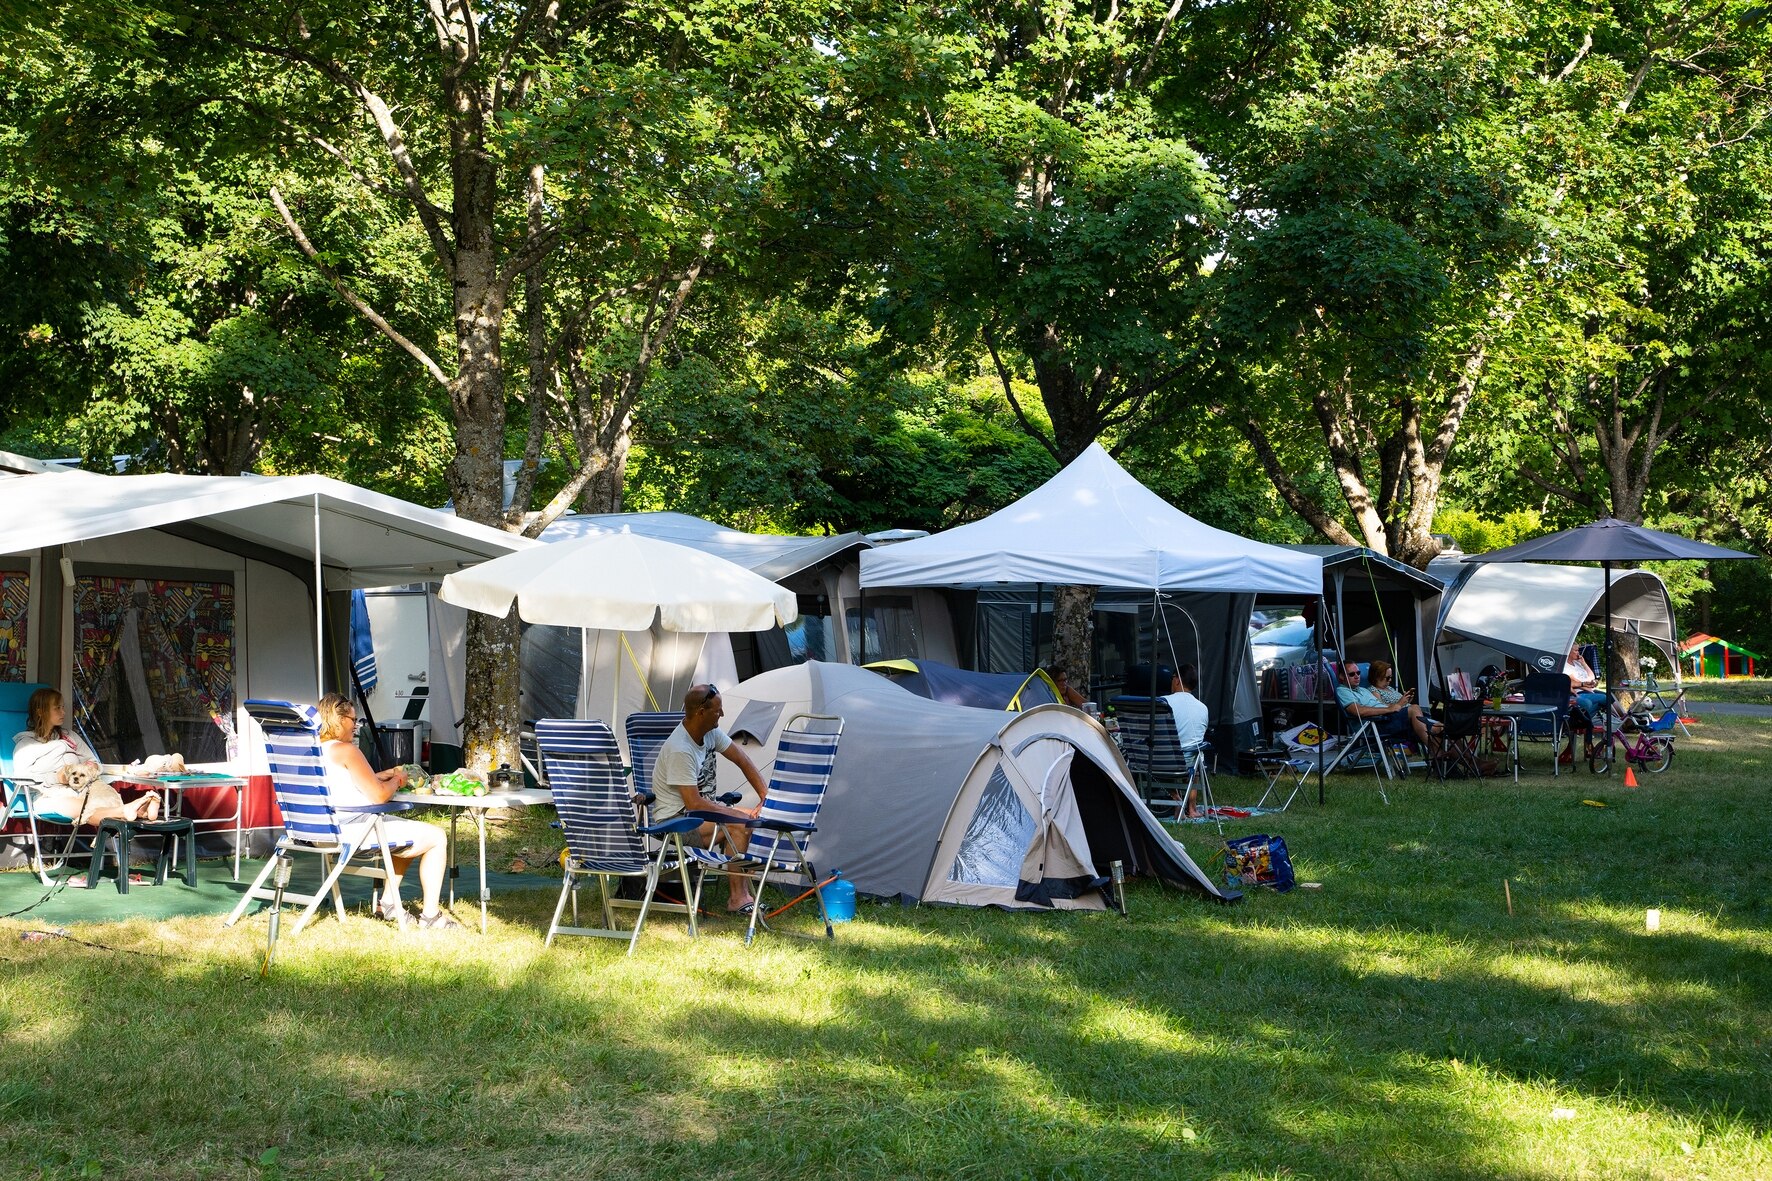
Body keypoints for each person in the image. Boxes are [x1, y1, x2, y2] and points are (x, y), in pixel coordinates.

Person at [314, 693, 460, 930]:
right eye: (353, 720)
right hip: (351, 832)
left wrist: (378, 777)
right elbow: (380, 796)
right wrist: (398, 780)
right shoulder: (346, 750)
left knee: (404, 831)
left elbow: (341, 783)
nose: (356, 726)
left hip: (318, 832)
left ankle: (389, 903)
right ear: (339, 720)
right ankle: (431, 916)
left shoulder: (314, 749)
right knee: (436, 837)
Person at [653, 683, 772, 914]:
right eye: (718, 710)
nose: (723, 714)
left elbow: (742, 760)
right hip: (675, 823)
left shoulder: (710, 733)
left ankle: (743, 892)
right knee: (739, 823)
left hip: (695, 816)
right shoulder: (680, 749)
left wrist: (764, 797)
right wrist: (736, 814)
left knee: (754, 816)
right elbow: (694, 804)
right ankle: (738, 899)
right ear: (701, 713)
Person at [11, 687, 161, 824]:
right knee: (85, 805)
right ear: (40, 711)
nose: (63, 712)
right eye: (57, 708)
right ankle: (129, 811)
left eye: (63, 707)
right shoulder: (27, 744)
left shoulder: (70, 736)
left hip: (80, 789)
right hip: (48, 796)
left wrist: (91, 767)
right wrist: (57, 778)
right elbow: (20, 779)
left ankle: (135, 811)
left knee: (98, 798)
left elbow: (93, 761)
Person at [1336, 661, 1442, 751]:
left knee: (1440, 728)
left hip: (1386, 720)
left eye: (1358, 673)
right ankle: (1434, 751)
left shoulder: (1363, 690)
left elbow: (1380, 705)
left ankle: (1450, 763)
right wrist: (1390, 709)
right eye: (1352, 674)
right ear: (1341, 676)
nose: (1357, 676)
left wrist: (1398, 704)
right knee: (1414, 708)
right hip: (1375, 726)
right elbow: (1358, 711)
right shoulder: (1343, 691)